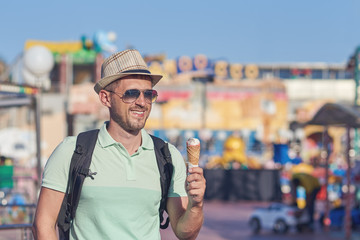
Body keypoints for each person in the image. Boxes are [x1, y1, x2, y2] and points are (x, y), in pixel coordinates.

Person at [32, 49, 206, 240]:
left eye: (148, 94)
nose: (142, 102)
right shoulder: (72, 151)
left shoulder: (168, 156)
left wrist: (195, 205)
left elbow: (185, 233)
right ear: (106, 98)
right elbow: (43, 225)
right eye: (131, 93)